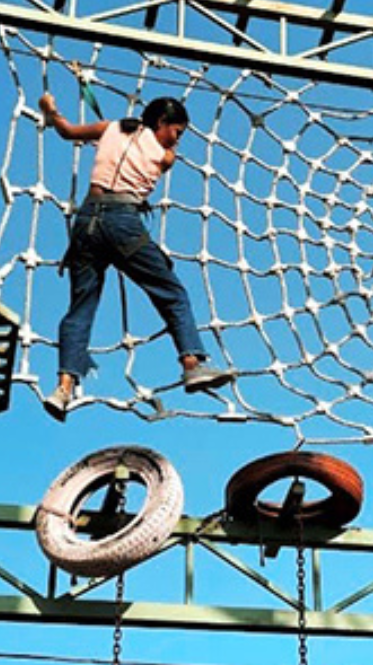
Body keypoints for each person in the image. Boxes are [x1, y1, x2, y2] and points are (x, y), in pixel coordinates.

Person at [38, 92, 235, 421]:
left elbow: (68, 132)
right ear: (161, 123)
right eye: (177, 131)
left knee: (81, 308)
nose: (178, 140)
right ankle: (192, 364)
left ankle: (63, 388)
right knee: (172, 293)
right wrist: (157, 139)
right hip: (122, 223)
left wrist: (51, 110)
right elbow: (165, 154)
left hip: (86, 224)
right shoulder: (165, 155)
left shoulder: (111, 127)